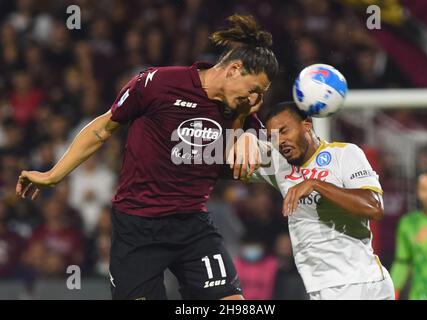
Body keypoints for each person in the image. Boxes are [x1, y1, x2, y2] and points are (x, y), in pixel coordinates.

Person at [15, 14, 278, 300]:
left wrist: (251, 135)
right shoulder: (158, 83)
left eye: (260, 96)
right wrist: (54, 175)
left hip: (192, 224)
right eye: (254, 90)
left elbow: (262, 150)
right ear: (234, 69)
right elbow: (101, 129)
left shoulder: (240, 110)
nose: (255, 101)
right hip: (138, 226)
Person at [235, 101, 394, 300]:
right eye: (273, 137)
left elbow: (374, 207)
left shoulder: (344, 154)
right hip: (322, 285)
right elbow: (220, 159)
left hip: (358, 283)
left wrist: (316, 184)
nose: (280, 141)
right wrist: (245, 135)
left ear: (307, 125)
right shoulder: (279, 164)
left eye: (284, 131)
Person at [390, 172, 427, 300]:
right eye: (424, 189)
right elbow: (402, 261)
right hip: (420, 295)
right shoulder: (408, 223)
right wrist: (393, 290)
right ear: (417, 192)